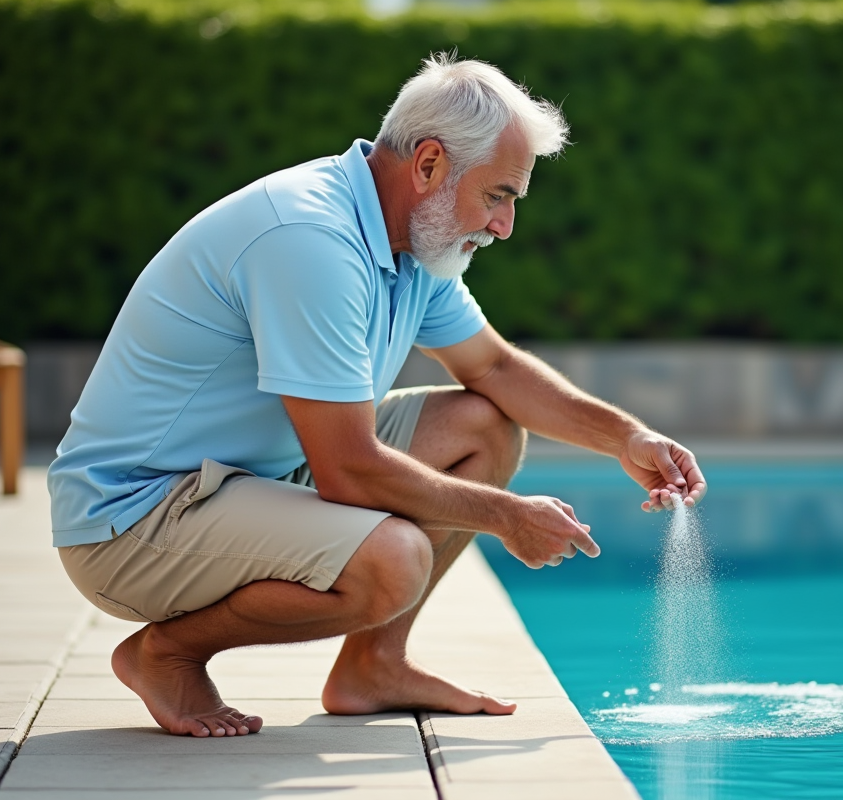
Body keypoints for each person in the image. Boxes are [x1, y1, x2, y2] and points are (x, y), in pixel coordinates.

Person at [48, 53, 706, 739]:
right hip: (133, 522)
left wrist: (627, 438)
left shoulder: (413, 243)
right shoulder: (311, 240)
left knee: (486, 425)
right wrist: (508, 517)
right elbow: (349, 469)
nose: (506, 226)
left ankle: (374, 667)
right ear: (427, 166)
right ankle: (169, 654)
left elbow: (498, 371)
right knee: (392, 562)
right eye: (499, 195)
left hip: (248, 479)